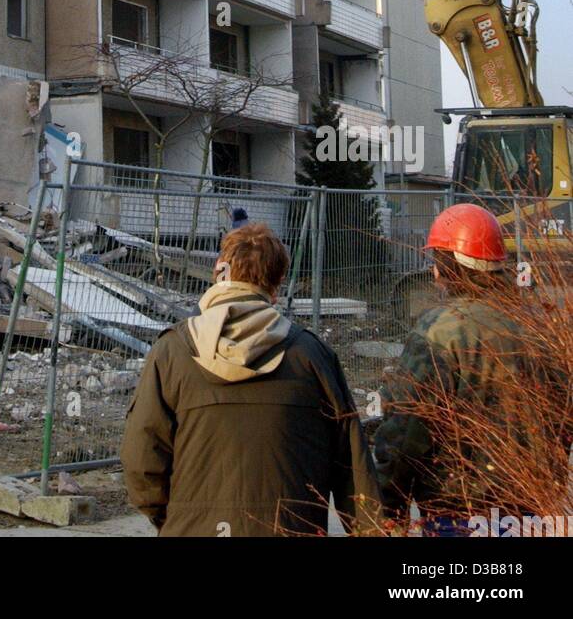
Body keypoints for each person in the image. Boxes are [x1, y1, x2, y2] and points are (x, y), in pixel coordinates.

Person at [120, 221, 380, 536]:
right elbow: (350, 463)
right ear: (277, 282)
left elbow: (142, 457)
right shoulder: (311, 355)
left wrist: (174, 518)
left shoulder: (171, 352)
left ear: (220, 272)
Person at [373, 202, 545, 535]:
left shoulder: (440, 330)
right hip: (529, 506)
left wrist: (388, 500)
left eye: (436, 261)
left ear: (447, 266)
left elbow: (408, 428)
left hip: (459, 511)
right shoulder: (534, 329)